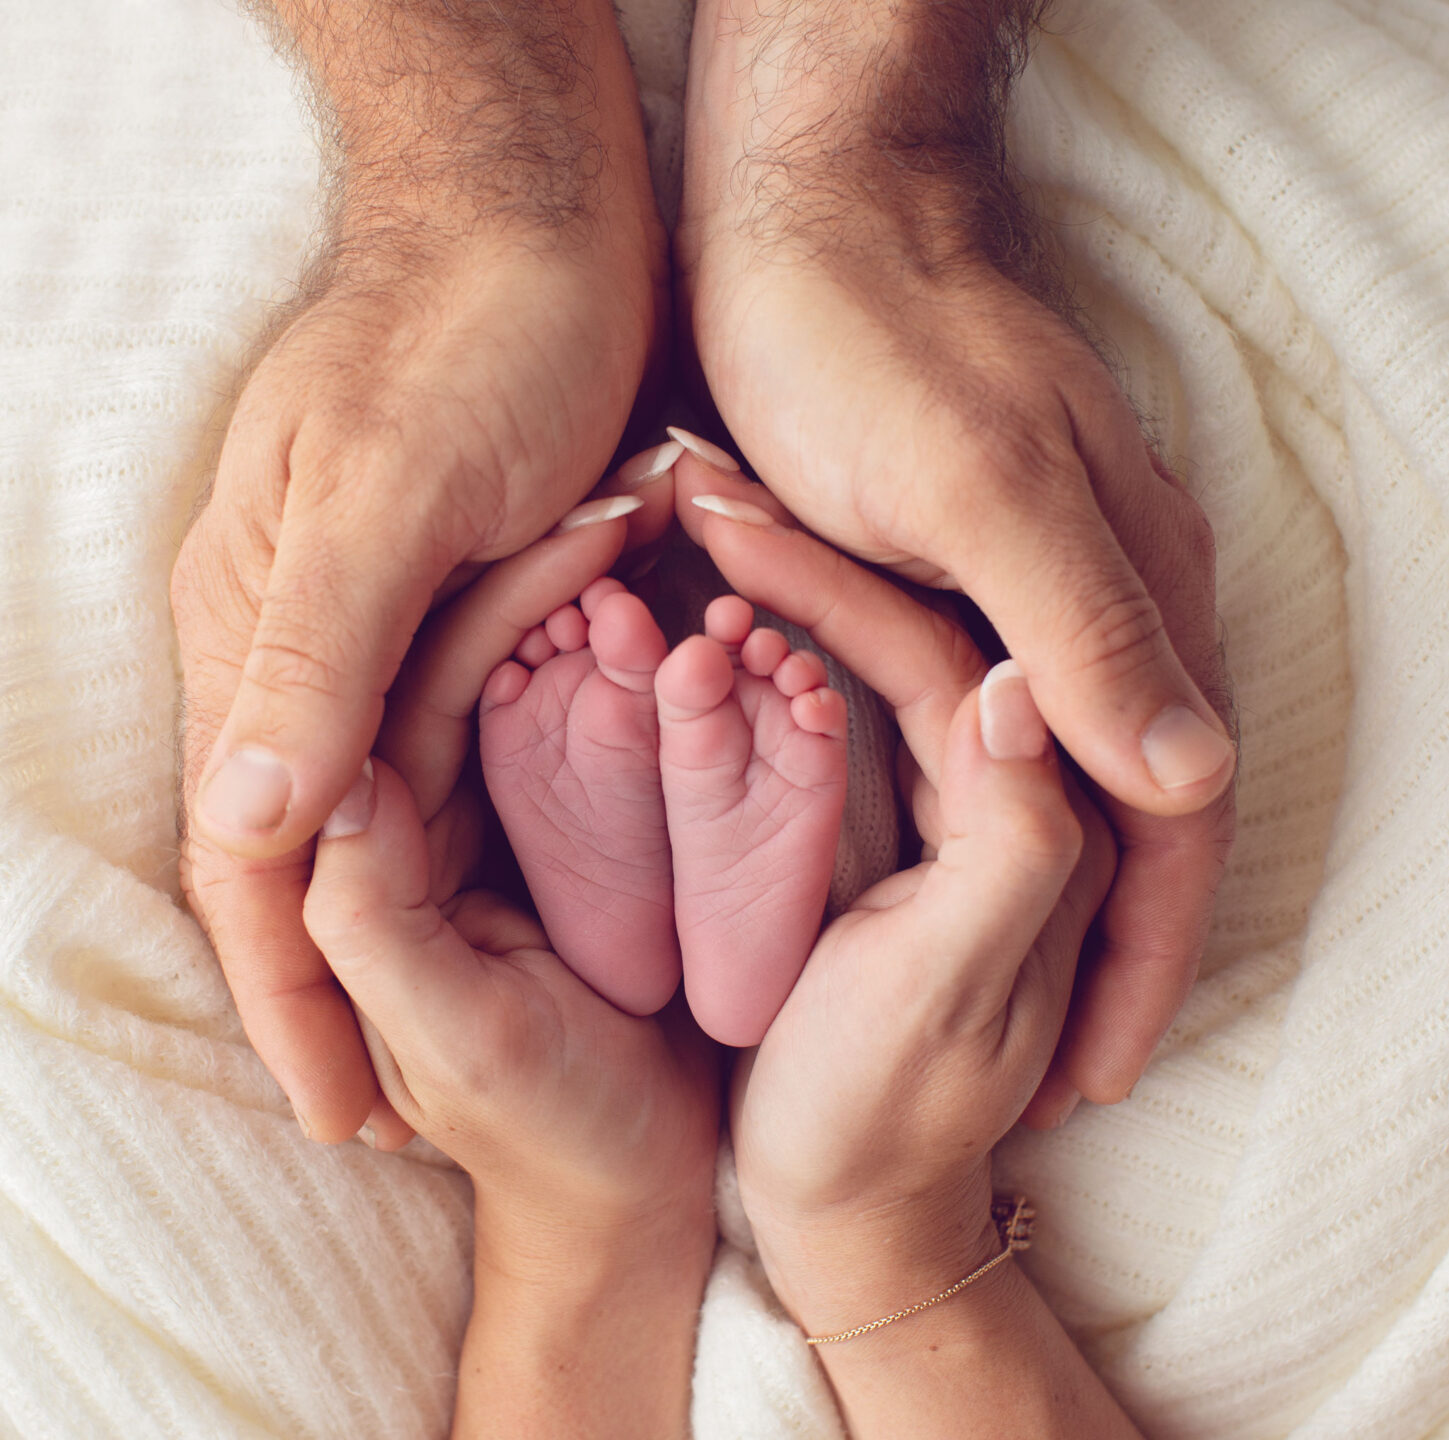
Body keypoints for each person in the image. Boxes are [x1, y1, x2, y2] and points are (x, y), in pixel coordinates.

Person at [172, 0, 1237, 1148]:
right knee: (938, 688)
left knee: (493, 667)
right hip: (822, 505)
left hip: (543, 542)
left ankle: (633, 875)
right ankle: (826, 863)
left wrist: (478, 209)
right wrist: (858, 181)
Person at [302, 466, 1140, 1437]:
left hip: (633, 636)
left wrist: (588, 1225)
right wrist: (883, 1229)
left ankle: (626, 933)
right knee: (856, 798)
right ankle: (732, 925)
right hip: (835, 681)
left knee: (815, 766)